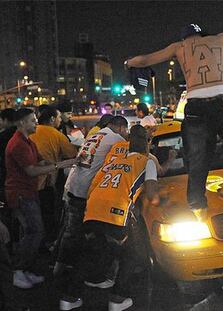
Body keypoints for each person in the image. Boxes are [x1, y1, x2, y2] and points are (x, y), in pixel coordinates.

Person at [125, 9, 223, 221]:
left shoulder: (179, 47)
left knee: (198, 159)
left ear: (185, 37)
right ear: (203, 35)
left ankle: (198, 206)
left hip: (195, 105)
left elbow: (146, 60)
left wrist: (129, 62)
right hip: (222, 102)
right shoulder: (219, 39)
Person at [58, 125, 159, 311]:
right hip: (115, 214)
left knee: (92, 254)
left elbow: (94, 188)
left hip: (92, 211)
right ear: (148, 144)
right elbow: (153, 198)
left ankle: (68, 298)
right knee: (133, 255)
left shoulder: (112, 163)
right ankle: (117, 299)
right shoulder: (147, 162)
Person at [5, 108, 76, 289]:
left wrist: (58, 163)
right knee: (34, 232)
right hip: (21, 194)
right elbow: (32, 170)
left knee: (33, 231)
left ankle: (24, 269)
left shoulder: (28, 141)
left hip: (30, 192)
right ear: (21, 123)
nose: (36, 123)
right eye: (32, 120)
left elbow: (40, 161)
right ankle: (17, 270)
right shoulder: (18, 144)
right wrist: (61, 164)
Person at [54, 116, 129, 276]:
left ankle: (60, 266)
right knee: (91, 234)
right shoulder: (116, 139)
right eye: (126, 131)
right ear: (122, 128)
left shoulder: (95, 135)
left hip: (73, 186)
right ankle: (87, 273)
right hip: (85, 191)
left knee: (72, 231)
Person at [29, 106, 78, 243]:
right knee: (48, 214)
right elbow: (71, 154)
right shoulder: (56, 134)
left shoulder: (31, 132)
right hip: (46, 181)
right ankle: (48, 242)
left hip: (28, 181)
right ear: (51, 119)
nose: (59, 120)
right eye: (58, 118)